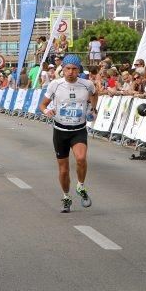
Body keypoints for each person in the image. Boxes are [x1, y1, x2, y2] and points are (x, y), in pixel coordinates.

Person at [39, 54, 98, 213]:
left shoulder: (87, 84)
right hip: (60, 131)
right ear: (62, 70)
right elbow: (42, 105)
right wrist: (47, 111)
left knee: (80, 158)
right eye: (68, 69)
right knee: (64, 170)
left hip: (78, 130)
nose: (71, 72)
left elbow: (94, 94)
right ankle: (66, 196)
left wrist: (93, 109)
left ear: (79, 70)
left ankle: (80, 186)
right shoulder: (55, 85)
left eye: (74, 69)